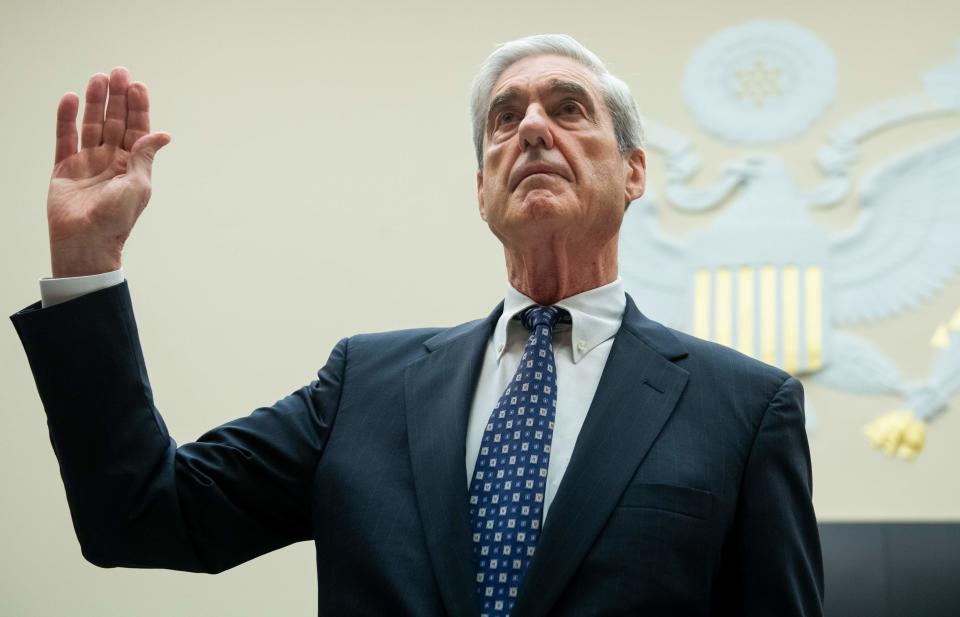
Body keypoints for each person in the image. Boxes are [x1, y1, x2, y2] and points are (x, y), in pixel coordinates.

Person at [11, 34, 823, 616]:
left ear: (634, 172)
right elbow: (143, 513)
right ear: (482, 189)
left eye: (568, 109)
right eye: (506, 119)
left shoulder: (745, 409)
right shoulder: (365, 385)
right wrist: (88, 264)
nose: (532, 127)